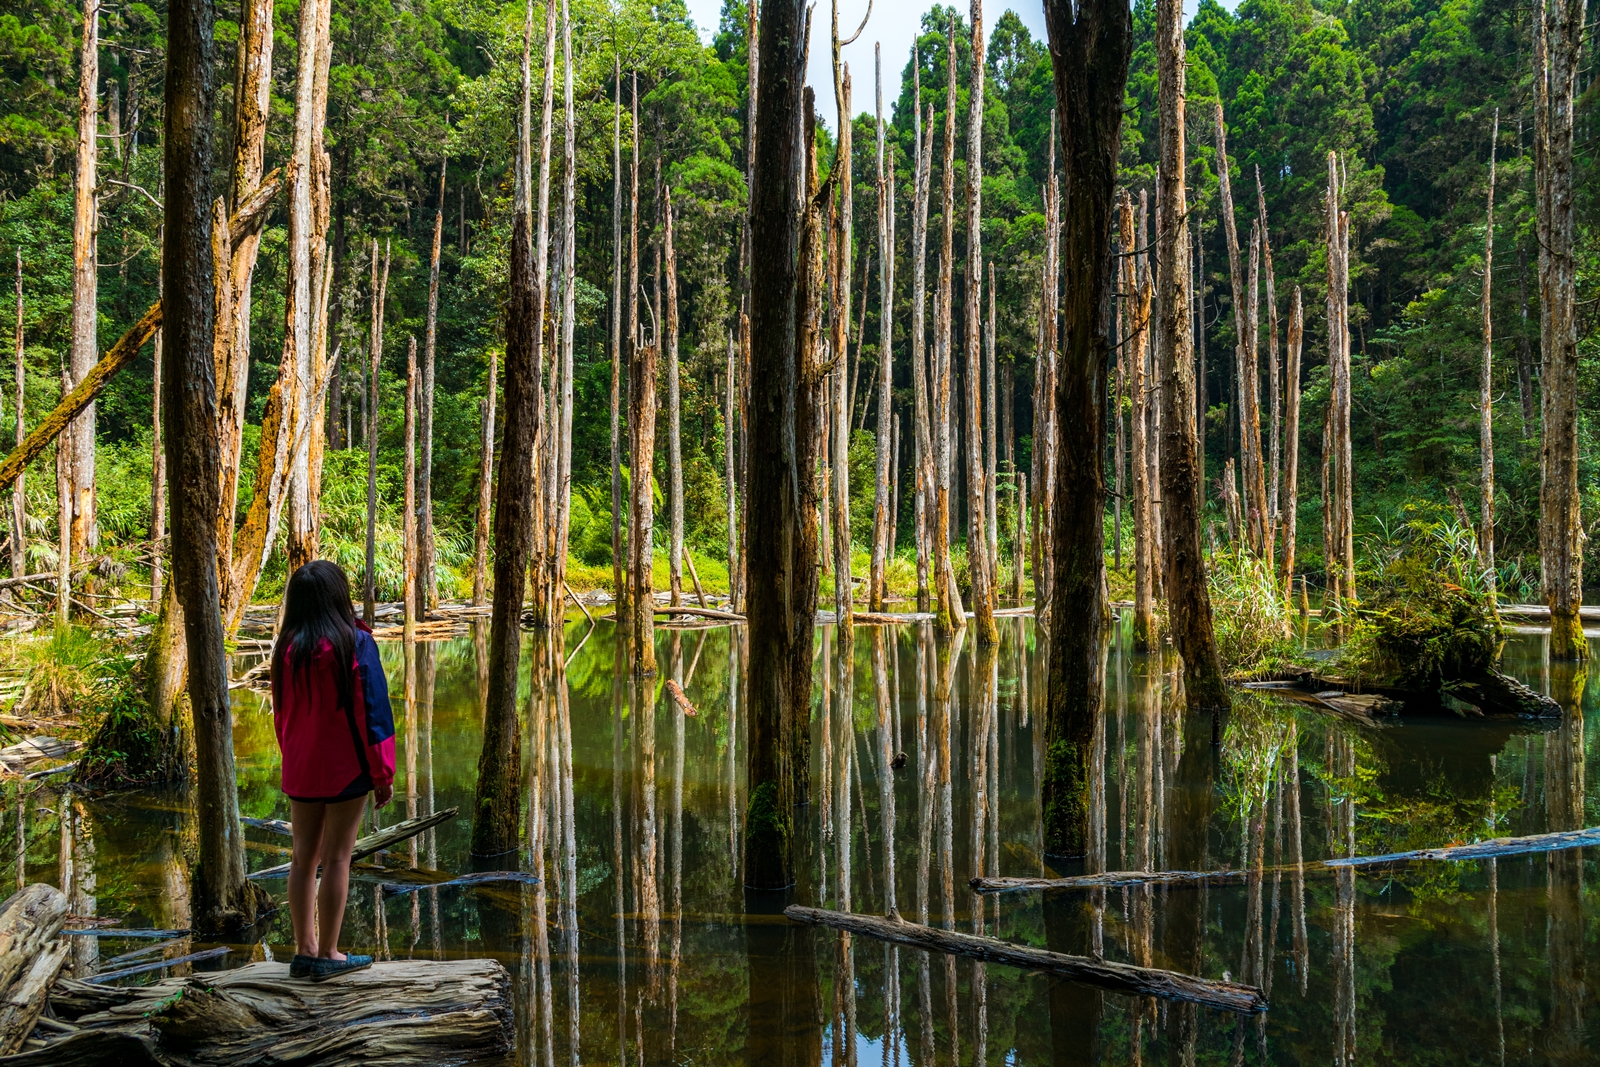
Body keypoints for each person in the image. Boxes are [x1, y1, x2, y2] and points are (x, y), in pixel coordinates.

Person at [271, 560, 395, 980]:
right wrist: (383, 773)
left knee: (303, 860)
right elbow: (373, 712)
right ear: (338, 597)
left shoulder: (287, 646)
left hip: (302, 767)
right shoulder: (355, 643)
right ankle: (329, 953)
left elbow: (281, 715)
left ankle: (303, 951)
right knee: (338, 858)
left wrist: (291, 757)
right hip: (347, 767)